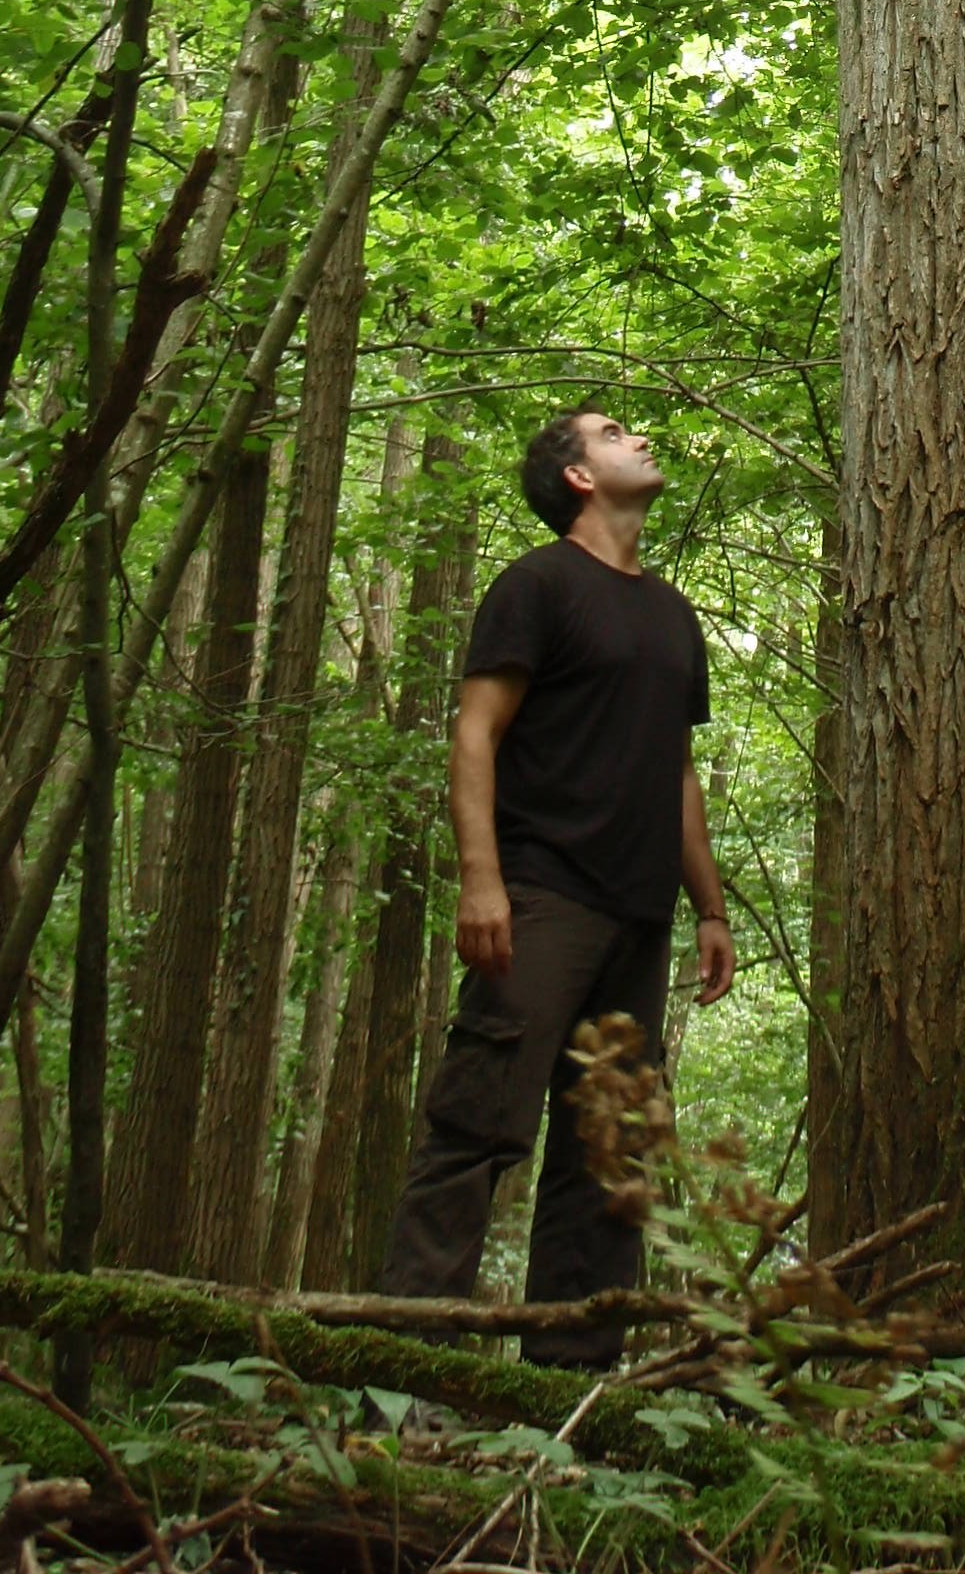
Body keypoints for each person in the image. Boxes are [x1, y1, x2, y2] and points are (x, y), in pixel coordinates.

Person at [380, 405, 735, 1365]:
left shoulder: (671, 614)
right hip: (541, 898)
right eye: (618, 431)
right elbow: (476, 732)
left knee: (610, 1156)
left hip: (638, 917)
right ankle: (409, 1373)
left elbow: (677, 774)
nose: (642, 437)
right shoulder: (535, 586)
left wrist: (707, 906)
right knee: (477, 1126)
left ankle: (566, 1390)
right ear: (578, 475)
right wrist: (481, 882)